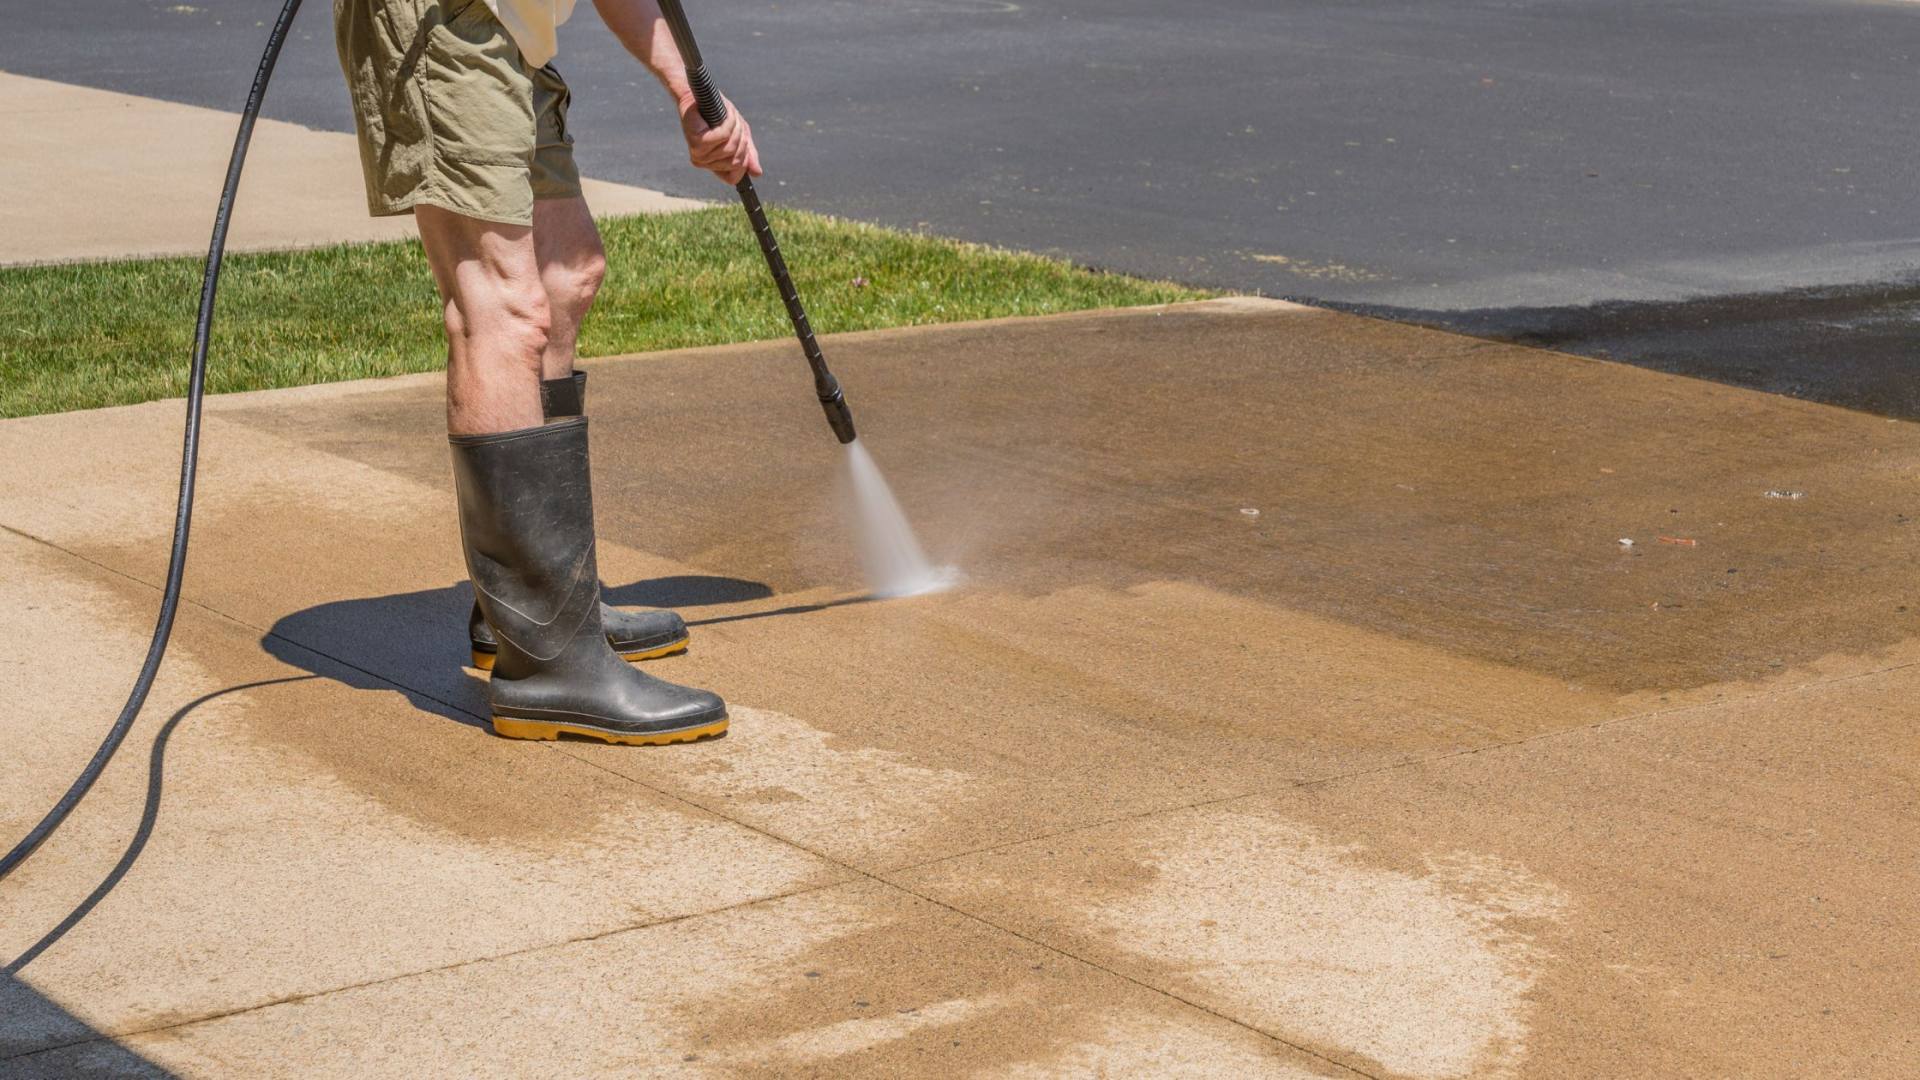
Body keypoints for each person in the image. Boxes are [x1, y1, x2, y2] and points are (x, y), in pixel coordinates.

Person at [333, 0, 759, 745]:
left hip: (504, 27)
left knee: (567, 275)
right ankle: (548, 662)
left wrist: (686, 87)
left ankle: (544, 605)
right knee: (500, 304)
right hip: (440, 19)